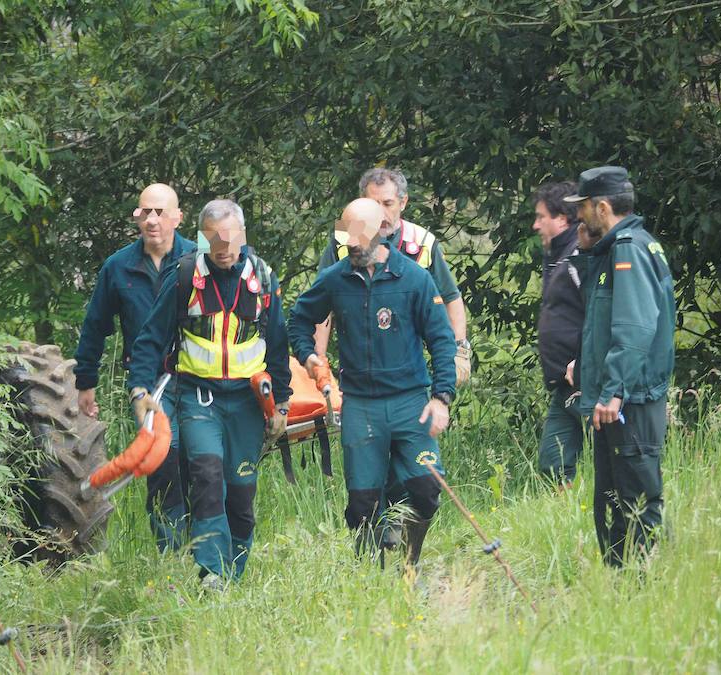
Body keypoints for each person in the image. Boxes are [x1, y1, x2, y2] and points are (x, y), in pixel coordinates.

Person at [128, 199, 292, 586]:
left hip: (248, 403)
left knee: (240, 490)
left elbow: (279, 345)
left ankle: (233, 570)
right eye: (214, 239)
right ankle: (212, 570)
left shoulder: (264, 279)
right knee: (206, 477)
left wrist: (281, 403)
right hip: (198, 397)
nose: (223, 247)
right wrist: (140, 389)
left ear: (243, 235)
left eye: (230, 238)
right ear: (202, 238)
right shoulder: (185, 276)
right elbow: (150, 338)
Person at [288, 198, 456, 569]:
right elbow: (298, 321)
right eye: (346, 239)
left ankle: (409, 563)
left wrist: (442, 398)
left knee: (426, 488)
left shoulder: (414, 279)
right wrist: (309, 356)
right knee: (363, 502)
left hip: (410, 401)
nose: (351, 246)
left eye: (358, 239)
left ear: (384, 230)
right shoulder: (334, 279)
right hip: (360, 404)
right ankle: (371, 572)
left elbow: (442, 340)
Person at [73, 183, 196, 552]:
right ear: (136, 217)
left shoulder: (199, 257)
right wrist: (86, 382)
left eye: (160, 212)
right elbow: (95, 326)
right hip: (148, 382)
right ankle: (170, 553)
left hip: (198, 377)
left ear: (178, 217)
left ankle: (204, 548)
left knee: (200, 461)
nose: (152, 219)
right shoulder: (118, 266)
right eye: (145, 212)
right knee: (163, 461)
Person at [565, 166, 675, 567]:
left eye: (584, 208)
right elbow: (608, 321)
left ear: (604, 207)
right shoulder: (619, 248)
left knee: (636, 498)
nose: (580, 216)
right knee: (613, 497)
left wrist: (613, 390)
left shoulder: (628, 249)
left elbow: (633, 326)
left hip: (630, 400)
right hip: (621, 397)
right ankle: (619, 584)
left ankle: (639, 586)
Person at [314, 168, 470, 383]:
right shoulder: (344, 236)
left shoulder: (424, 240)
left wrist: (460, 349)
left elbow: (450, 297)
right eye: (373, 204)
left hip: (408, 361)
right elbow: (319, 305)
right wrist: (318, 360)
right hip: (356, 363)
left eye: (387, 204)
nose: (380, 214)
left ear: (403, 202)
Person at [532, 181, 585, 487]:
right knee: (553, 464)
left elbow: (600, 314)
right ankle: (568, 527)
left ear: (562, 218)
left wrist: (583, 360)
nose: (535, 224)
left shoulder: (580, 254)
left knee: (621, 461)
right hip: (564, 385)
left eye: (541, 217)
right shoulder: (557, 254)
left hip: (589, 379)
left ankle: (644, 528)